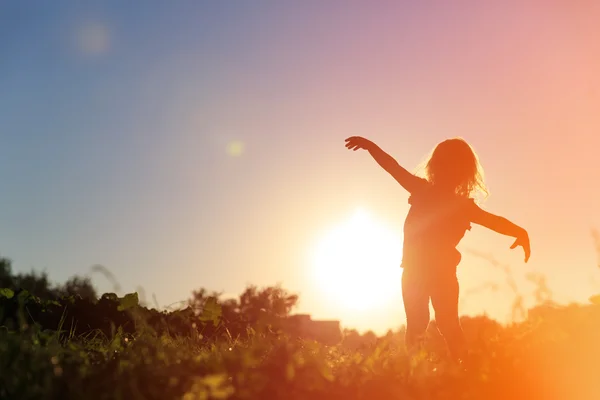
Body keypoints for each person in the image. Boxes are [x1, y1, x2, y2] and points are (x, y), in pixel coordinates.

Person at [344, 136, 531, 362]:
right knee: (424, 323)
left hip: (436, 273)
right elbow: (392, 167)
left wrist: (520, 232)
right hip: (418, 271)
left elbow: (494, 221)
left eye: (454, 166)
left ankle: (454, 370)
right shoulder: (425, 191)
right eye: (445, 165)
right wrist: (371, 147)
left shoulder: (450, 201)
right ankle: (426, 372)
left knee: (440, 323)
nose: (448, 171)